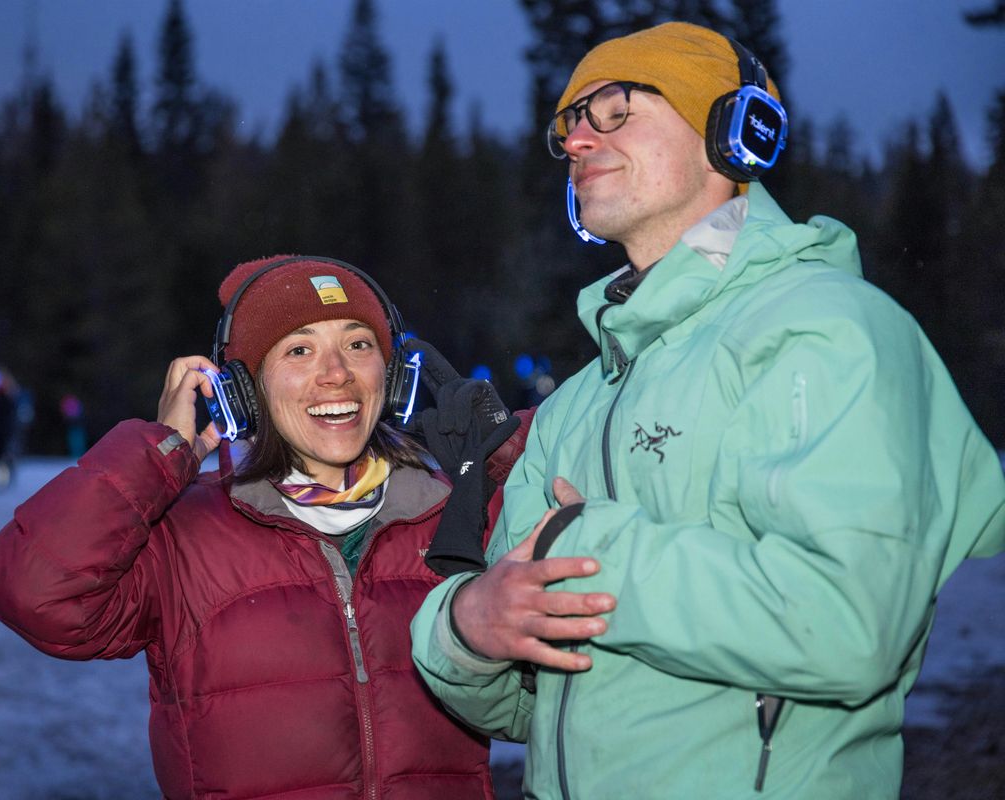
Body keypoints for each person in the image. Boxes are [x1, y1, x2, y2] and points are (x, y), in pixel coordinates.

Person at [410, 21, 1005, 799]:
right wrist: (466, 630)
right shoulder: (577, 405)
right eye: (568, 125)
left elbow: (848, 627)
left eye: (615, 108)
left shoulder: (827, 329)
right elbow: (532, 709)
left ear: (733, 135)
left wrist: (590, 551)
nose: (579, 141)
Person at [0, 255, 497, 799]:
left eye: (358, 344)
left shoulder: (456, 515)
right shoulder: (182, 536)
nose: (337, 373)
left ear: (391, 375)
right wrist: (156, 455)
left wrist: (501, 459)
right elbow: (31, 589)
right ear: (244, 390)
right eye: (299, 349)